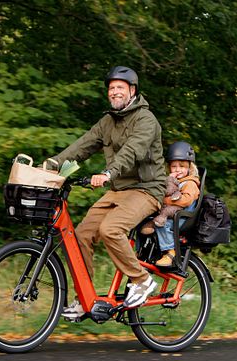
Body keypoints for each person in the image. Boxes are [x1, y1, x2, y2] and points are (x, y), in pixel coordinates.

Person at [49, 65, 166, 319]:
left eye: (120, 88)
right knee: (80, 235)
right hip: (118, 191)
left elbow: (132, 151)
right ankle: (86, 298)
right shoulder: (107, 122)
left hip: (147, 190)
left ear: (132, 91)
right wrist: (51, 166)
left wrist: (108, 173)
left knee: (110, 229)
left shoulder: (146, 120)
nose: (114, 92)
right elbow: (82, 146)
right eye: (111, 88)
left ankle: (142, 280)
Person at [140, 142, 200, 267]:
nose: (178, 169)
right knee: (142, 221)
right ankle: (141, 251)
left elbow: (186, 200)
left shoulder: (190, 183)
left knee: (161, 224)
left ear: (190, 167)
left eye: (182, 166)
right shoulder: (172, 182)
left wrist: (165, 201)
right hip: (170, 214)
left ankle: (170, 252)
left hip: (182, 218)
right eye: (174, 166)